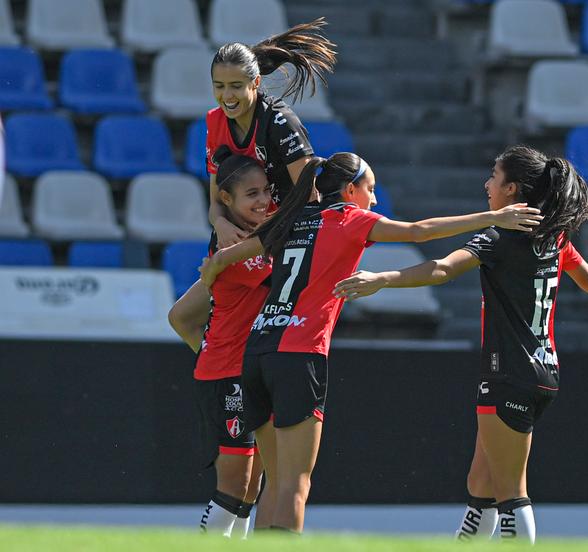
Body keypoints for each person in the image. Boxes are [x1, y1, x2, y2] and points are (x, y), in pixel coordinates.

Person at [333, 146, 588, 543]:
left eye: (494, 176)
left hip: (510, 371)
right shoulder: (551, 235)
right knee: (481, 484)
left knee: (512, 492)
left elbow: (441, 269)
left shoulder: (499, 237)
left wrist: (382, 279)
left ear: (511, 189)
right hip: (541, 371)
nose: (487, 183)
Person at [198, 152, 544, 533]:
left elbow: (230, 255)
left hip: (258, 352)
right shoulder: (351, 219)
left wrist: (212, 267)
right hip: (298, 355)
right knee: (295, 486)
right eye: (371, 189)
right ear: (350, 190)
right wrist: (493, 218)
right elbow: (420, 231)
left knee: (276, 483)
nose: (375, 200)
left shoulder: (292, 219)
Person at [168, 17, 336, 352]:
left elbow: (310, 198)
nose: (226, 96)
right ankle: (230, 376)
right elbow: (217, 199)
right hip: (237, 247)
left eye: (235, 86)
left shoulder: (279, 122)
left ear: (255, 83)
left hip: (282, 246)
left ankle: (237, 379)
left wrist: (259, 242)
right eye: (219, 86)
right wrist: (220, 224)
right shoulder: (215, 122)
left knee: (257, 343)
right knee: (182, 318)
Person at [186, 149, 273, 538]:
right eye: (251, 194)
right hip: (227, 373)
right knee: (235, 482)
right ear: (226, 201)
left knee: (252, 484)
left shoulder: (254, 236)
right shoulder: (235, 249)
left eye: (267, 191)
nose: (264, 201)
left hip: (243, 371)